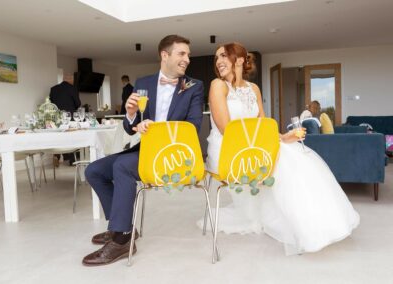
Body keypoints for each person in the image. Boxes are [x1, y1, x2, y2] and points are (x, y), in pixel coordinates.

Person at [202, 42, 359, 255]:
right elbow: (225, 128)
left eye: (223, 55)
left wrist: (282, 138)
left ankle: (312, 223)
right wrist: (264, 146)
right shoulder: (217, 85)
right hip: (227, 146)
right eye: (216, 57)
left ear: (239, 60)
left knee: (297, 154)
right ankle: (301, 227)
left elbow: (262, 125)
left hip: (252, 142)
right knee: (286, 160)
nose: (218, 61)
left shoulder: (253, 89)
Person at [82, 35, 204, 266]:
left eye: (188, 54)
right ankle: (123, 225)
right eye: (182, 54)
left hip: (172, 154)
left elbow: (193, 126)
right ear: (164, 55)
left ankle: (121, 238)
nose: (187, 59)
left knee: (121, 166)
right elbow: (131, 128)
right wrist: (130, 115)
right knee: (94, 171)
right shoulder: (143, 83)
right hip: (144, 149)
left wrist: (156, 129)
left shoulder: (194, 86)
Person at [49, 74, 81, 165]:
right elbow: (78, 103)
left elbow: (51, 104)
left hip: (57, 117)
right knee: (71, 137)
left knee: (58, 137)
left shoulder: (53, 89)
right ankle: (72, 160)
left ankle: (56, 156)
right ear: (70, 80)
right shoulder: (72, 88)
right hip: (69, 116)